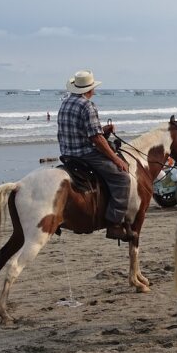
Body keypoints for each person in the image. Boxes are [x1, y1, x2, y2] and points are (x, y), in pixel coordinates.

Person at [57, 70, 131, 241]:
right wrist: (116, 158)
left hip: (67, 153)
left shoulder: (65, 102)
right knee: (122, 179)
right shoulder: (87, 105)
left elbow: (83, 130)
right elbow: (96, 139)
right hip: (85, 154)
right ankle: (114, 224)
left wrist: (104, 129)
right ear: (89, 90)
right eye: (93, 88)